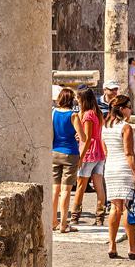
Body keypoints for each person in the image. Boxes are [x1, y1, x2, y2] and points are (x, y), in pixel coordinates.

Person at [102, 95, 135, 259]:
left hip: (111, 167)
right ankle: (132, 247)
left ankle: (112, 245)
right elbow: (129, 153)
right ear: (121, 109)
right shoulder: (126, 127)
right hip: (124, 167)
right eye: (128, 106)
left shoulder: (105, 126)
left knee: (114, 208)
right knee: (127, 207)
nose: (131, 109)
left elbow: (105, 150)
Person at [69, 87, 107, 227]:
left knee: (81, 186)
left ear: (82, 99)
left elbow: (87, 138)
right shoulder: (97, 113)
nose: (76, 100)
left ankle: (74, 216)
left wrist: (81, 157)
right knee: (99, 186)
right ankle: (99, 217)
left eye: (78, 98)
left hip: (89, 152)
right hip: (99, 152)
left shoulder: (88, 115)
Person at [51, 88, 81, 234]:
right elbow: (83, 136)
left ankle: (52, 221)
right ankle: (63, 224)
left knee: (54, 190)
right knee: (66, 191)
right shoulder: (73, 115)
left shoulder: (53, 113)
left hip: (54, 152)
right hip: (70, 153)